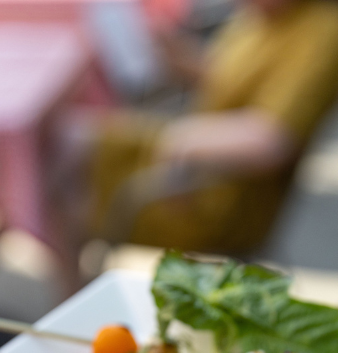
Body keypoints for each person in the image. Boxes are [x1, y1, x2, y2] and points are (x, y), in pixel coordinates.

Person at [85, 0, 338, 255]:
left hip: (218, 189)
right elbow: (225, 80)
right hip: (193, 156)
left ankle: (78, 285)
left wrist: (182, 142)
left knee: (69, 185)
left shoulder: (320, 29)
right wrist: (175, 56)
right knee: (72, 139)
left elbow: (272, 139)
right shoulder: (260, 16)